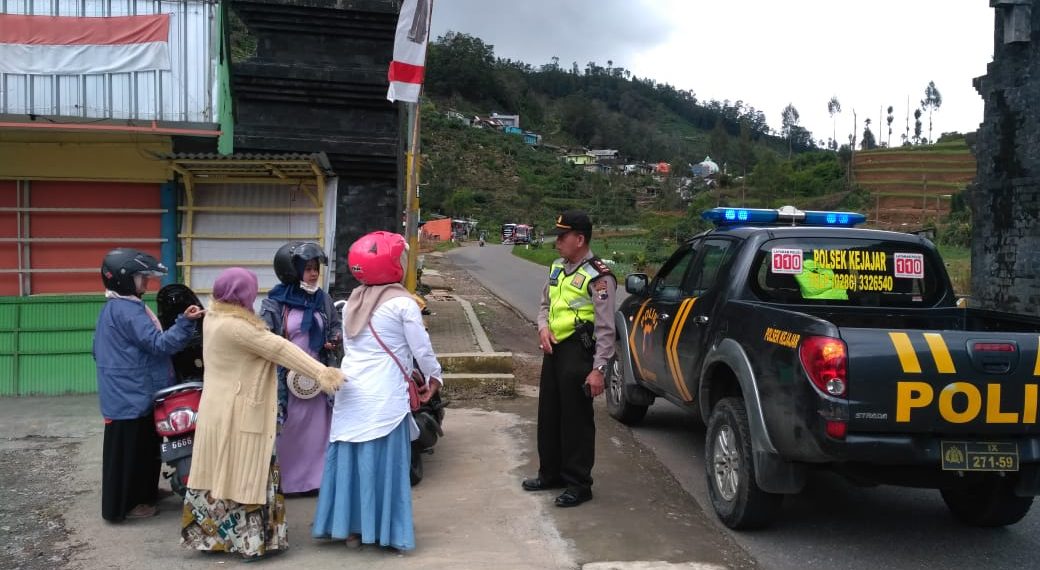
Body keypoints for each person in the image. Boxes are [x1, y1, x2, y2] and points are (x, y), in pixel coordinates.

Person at [180, 267, 345, 561]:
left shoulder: (214, 317)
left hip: (216, 408)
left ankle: (213, 538)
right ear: (242, 294)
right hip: (241, 410)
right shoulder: (238, 327)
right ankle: (250, 543)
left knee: (219, 471)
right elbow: (281, 349)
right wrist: (324, 373)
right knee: (248, 474)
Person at [312, 231, 443, 551]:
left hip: (351, 390)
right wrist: (435, 377)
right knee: (384, 463)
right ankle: (386, 533)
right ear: (390, 263)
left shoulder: (352, 300)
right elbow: (421, 350)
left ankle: (350, 530)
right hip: (384, 394)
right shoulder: (402, 303)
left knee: (350, 459)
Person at [94, 248, 205, 522]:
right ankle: (126, 505)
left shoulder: (117, 307)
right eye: (140, 277)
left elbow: (97, 350)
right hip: (130, 394)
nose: (146, 282)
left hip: (127, 391)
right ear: (123, 279)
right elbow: (159, 344)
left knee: (144, 446)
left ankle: (145, 493)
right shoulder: (128, 310)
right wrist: (185, 322)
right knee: (129, 452)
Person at [522, 210, 617, 508]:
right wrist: (542, 328)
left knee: (575, 420)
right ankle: (550, 473)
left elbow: (605, 329)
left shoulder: (599, 277)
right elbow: (544, 305)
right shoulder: (556, 268)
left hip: (579, 351)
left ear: (580, 239)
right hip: (554, 349)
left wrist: (599, 369)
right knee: (549, 415)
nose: (557, 242)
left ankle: (578, 483)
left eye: (562, 236)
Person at [259, 242, 342, 495]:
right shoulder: (274, 303)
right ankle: (288, 482)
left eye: (315, 268)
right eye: (307, 269)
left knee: (319, 431)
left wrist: (334, 339)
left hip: (318, 378)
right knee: (289, 429)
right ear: (292, 271)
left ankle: (317, 481)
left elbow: (336, 326)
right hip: (287, 380)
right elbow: (263, 335)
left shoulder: (323, 299)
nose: (314, 274)